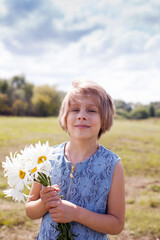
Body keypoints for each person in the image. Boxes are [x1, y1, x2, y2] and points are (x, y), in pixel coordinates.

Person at [26, 79, 125, 240]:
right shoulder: (46, 158)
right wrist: (44, 202)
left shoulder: (112, 165)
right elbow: (30, 211)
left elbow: (117, 224)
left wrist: (76, 213)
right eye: (75, 110)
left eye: (91, 111)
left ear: (104, 119)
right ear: (64, 117)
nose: (82, 116)